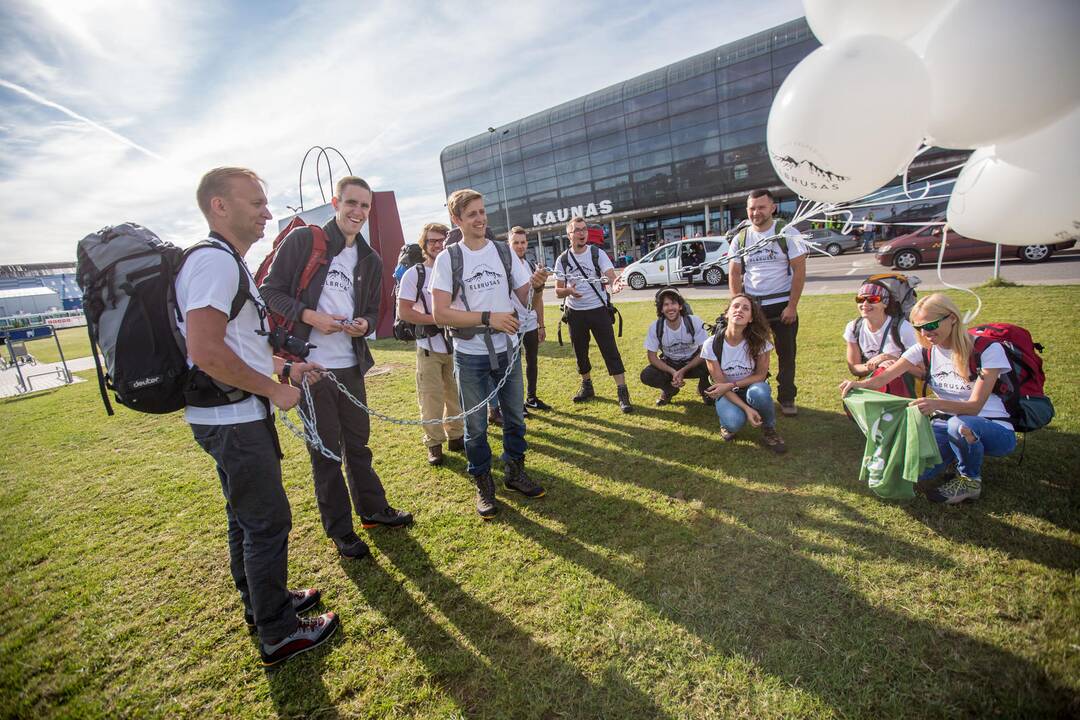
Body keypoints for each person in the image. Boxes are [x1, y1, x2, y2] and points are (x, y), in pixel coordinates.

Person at [179, 167, 337, 666]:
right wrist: (273, 389)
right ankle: (279, 632)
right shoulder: (214, 264)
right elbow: (205, 350)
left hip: (235, 414)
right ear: (219, 206)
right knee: (267, 523)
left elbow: (239, 347)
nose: (268, 213)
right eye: (257, 203)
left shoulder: (230, 262)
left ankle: (263, 605)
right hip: (233, 419)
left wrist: (286, 369)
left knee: (246, 519)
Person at [260, 175, 412, 561]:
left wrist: (361, 323)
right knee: (325, 452)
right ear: (335, 203)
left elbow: (368, 309)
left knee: (358, 445)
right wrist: (309, 315)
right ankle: (340, 531)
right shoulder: (304, 240)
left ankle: (373, 510)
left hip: (350, 366)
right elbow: (269, 292)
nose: (357, 212)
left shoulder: (370, 258)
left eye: (364, 205)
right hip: (310, 368)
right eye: (351, 203)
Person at [431, 189, 550, 519]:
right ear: (457, 220)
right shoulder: (448, 258)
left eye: (482, 212)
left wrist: (537, 285)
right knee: (476, 426)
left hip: (508, 351)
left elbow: (525, 295)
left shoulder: (503, 252)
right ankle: (483, 482)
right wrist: (488, 318)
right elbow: (440, 313)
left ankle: (515, 472)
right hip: (470, 355)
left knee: (515, 417)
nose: (480, 218)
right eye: (472, 214)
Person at [840, 293, 1017, 503]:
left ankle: (970, 481)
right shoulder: (924, 349)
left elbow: (974, 407)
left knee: (960, 425)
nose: (925, 332)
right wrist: (858, 384)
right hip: (944, 423)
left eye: (931, 325)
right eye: (918, 327)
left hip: (992, 427)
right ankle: (955, 453)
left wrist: (934, 404)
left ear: (952, 318)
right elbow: (883, 379)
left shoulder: (987, 349)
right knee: (911, 472)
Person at [727, 188, 807, 417]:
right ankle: (754, 394)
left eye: (761, 207)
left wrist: (792, 306)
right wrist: (737, 305)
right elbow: (734, 273)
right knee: (750, 353)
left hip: (782, 305)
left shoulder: (786, 232)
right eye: (752, 208)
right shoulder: (740, 238)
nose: (756, 212)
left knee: (786, 353)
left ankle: (787, 398)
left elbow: (799, 270)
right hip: (754, 307)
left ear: (772, 207)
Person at [396, 223, 464, 466]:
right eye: (432, 241)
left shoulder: (454, 270)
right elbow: (404, 311)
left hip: (456, 344)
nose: (437, 245)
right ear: (424, 244)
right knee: (431, 397)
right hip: (428, 345)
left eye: (441, 240)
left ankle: (456, 435)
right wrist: (437, 319)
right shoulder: (416, 274)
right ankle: (434, 443)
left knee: (456, 394)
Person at [555, 216, 631, 412]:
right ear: (569, 235)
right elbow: (558, 291)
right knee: (580, 353)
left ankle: (622, 392)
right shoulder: (563, 259)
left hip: (598, 310)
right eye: (577, 230)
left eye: (584, 230)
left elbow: (611, 278)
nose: (582, 233)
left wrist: (615, 286)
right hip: (575, 313)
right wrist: (569, 291)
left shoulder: (597, 253)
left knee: (610, 351)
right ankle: (587, 386)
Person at [700, 293, 786, 453]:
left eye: (746, 308)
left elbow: (760, 376)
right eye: (736, 306)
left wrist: (732, 384)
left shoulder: (761, 342)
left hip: (750, 388)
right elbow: (720, 386)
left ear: (751, 318)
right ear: (727, 314)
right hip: (725, 393)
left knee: (759, 393)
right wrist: (746, 409)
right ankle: (727, 421)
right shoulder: (711, 344)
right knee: (733, 422)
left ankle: (769, 428)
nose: (740, 310)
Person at [843, 282, 919, 395]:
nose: (864, 304)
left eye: (872, 299)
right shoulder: (853, 327)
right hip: (872, 386)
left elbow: (922, 372)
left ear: (885, 303)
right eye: (860, 299)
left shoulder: (903, 328)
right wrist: (874, 366)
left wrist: (892, 360)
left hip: (904, 388)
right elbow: (854, 368)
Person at [640, 287, 710, 406]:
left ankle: (705, 390)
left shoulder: (694, 321)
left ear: (681, 306)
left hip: (693, 362)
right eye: (665, 304)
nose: (670, 308)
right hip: (670, 363)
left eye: (673, 303)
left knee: (713, 362)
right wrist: (673, 372)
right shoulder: (655, 327)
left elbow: (705, 351)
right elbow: (652, 357)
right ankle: (669, 390)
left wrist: (683, 370)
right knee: (647, 375)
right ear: (661, 309)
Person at [509, 226, 550, 413]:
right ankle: (517, 404)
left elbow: (538, 299)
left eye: (523, 242)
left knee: (532, 361)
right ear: (509, 244)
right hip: (513, 325)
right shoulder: (506, 267)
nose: (520, 246)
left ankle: (531, 398)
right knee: (514, 366)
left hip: (531, 323)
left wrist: (541, 324)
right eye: (515, 242)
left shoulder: (530, 266)